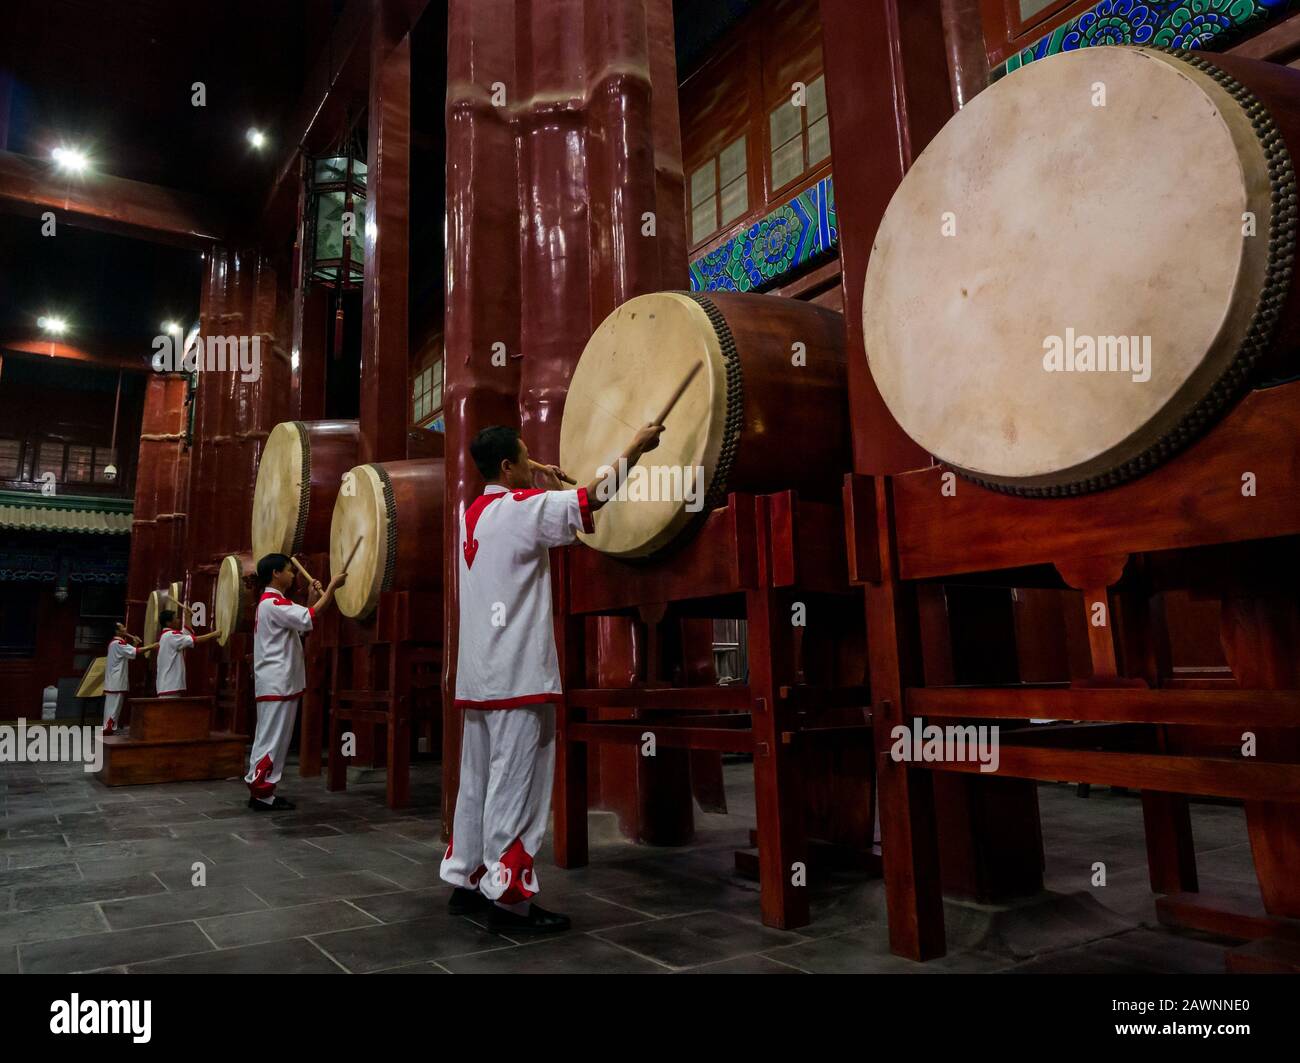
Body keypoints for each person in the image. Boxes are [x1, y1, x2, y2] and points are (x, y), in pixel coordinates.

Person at [440, 420, 662, 934]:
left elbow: (534, 504)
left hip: (478, 677)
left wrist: (531, 471)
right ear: (506, 467)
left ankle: (467, 881)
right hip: (518, 673)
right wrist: (637, 445)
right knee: (518, 784)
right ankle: (511, 902)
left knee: (476, 783)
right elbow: (592, 500)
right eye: (524, 456)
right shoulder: (520, 511)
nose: (532, 461)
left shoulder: (472, 514)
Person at [245, 553, 344, 811]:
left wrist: (314, 597)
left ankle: (262, 790)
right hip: (277, 682)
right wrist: (332, 587)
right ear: (276, 573)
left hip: (279, 681)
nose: (293, 575)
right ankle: (262, 791)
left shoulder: (274, 603)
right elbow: (310, 615)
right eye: (289, 570)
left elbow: (303, 620)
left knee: (270, 738)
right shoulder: (271, 603)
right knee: (272, 740)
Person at [154, 607, 219, 698]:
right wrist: (214, 634)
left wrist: (187, 616)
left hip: (166, 687)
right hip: (170, 687)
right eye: (175, 618)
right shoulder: (171, 636)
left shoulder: (167, 636)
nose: (178, 620)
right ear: (168, 623)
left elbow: (187, 635)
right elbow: (194, 639)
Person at [103, 622, 142, 735]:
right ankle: (107, 730)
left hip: (116, 681)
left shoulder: (118, 643)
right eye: (122, 627)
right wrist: (153, 646)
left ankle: (109, 730)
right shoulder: (118, 643)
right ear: (117, 631)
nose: (125, 628)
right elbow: (136, 652)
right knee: (112, 710)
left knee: (114, 709)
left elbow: (130, 654)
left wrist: (134, 643)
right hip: (116, 682)